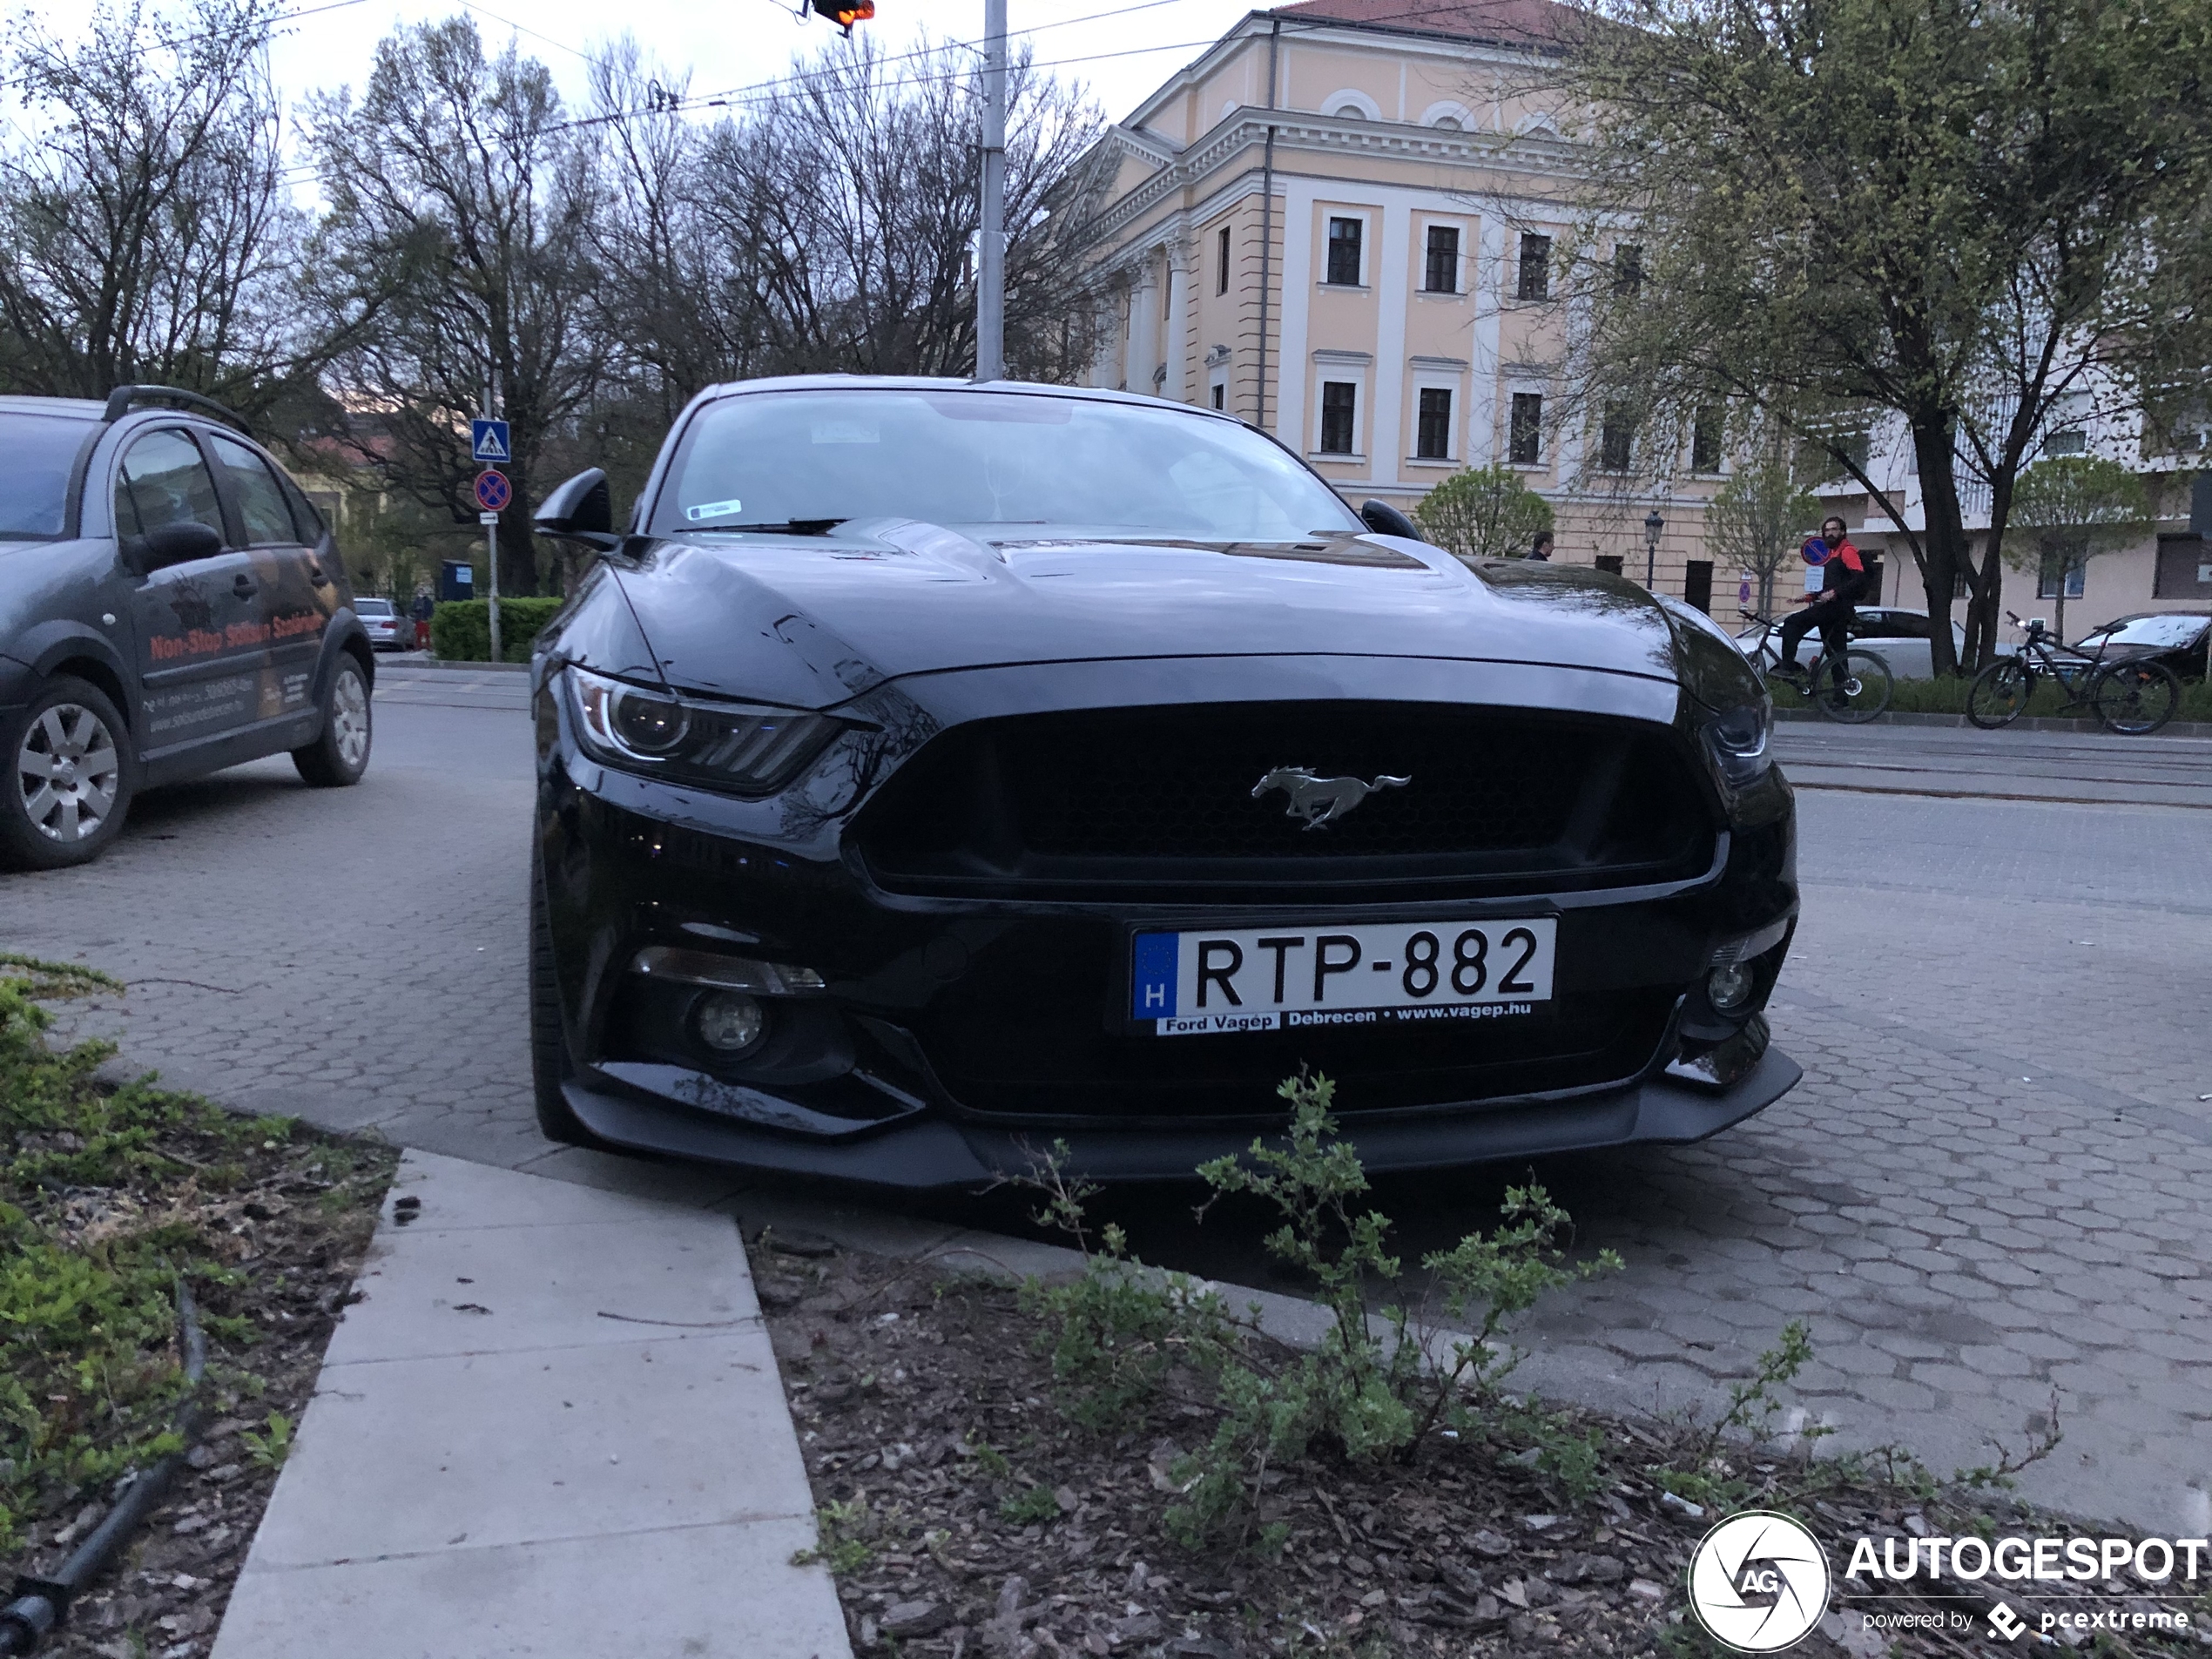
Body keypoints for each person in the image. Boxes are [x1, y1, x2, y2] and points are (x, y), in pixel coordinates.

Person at [1776, 516, 1873, 686]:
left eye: (1834, 530)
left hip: (1835, 609)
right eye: (1826, 531)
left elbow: (1858, 578)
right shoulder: (1832, 556)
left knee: (1792, 623)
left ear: (1843, 532)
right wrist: (1806, 598)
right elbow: (1826, 589)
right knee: (1836, 654)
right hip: (1836, 610)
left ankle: (1788, 668)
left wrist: (1835, 593)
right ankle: (1841, 698)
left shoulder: (1847, 551)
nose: (1829, 533)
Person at [409, 587, 435, 651]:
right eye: (420, 592)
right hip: (419, 619)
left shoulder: (428, 601)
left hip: (426, 619)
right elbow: (412, 609)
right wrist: (416, 610)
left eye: (422, 592)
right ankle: (419, 646)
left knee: (427, 634)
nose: (421, 593)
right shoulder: (416, 601)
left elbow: (431, 610)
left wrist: (429, 617)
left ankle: (428, 646)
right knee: (419, 634)